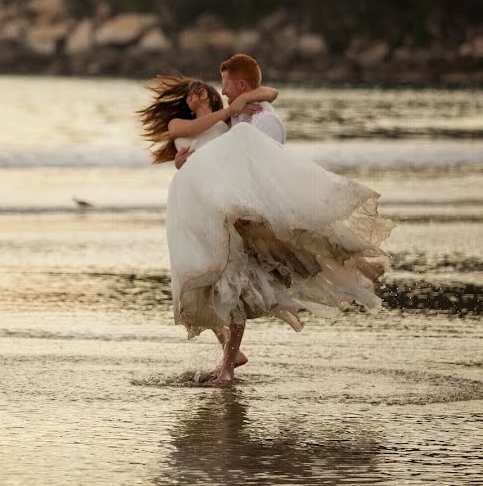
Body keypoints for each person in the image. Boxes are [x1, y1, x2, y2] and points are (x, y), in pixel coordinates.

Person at [139, 54, 393, 384]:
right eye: (191, 94)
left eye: (204, 90)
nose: (198, 95)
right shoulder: (192, 124)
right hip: (193, 210)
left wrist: (248, 99)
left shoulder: (231, 125)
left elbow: (265, 108)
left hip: (224, 211)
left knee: (232, 284)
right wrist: (225, 116)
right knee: (201, 278)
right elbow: (199, 138)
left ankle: (228, 365)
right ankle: (229, 352)